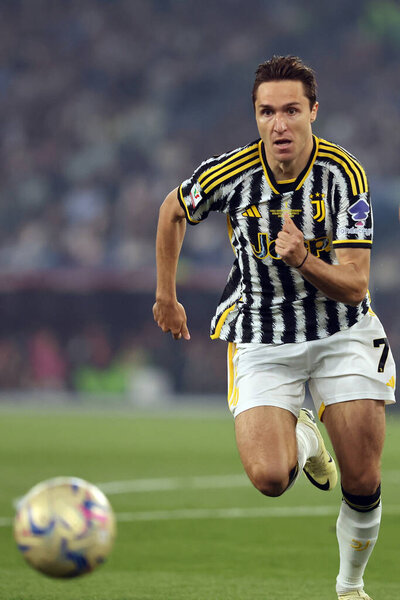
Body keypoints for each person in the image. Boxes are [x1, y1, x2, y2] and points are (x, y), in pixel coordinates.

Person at [153, 55, 396, 600]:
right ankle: (305, 435)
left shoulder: (344, 176)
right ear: (255, 116)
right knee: (268, 478)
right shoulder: (231, 173)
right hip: (262, 337)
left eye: (291, 110)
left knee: (361, 477)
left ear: (313, 111)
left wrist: (304, 260)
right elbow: (173, 208)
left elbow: (356, 285)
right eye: (267, 112)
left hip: (342, 333)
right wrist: (166, 294)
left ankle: (350, 587)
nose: (279, 124)